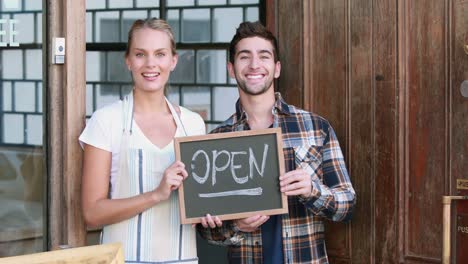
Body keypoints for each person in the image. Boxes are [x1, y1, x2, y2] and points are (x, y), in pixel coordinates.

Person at [197, 21, 356, 263]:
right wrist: (235, 225)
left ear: (277, 68)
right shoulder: (217, 141)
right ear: (231, 68)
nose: (254, 65)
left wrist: (312, 190)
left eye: (264, 56)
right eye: (244, 57)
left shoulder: (315, 127)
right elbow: (206, 230)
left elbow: (347, 205)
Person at [79, 18, 205, 263]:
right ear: (128, 60)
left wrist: (213, 215)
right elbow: (91, 213)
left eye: (160, 54)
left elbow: (199, 201)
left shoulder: (193, 125)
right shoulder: (107, 121)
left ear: (173, 61)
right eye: (140, 54)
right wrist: (155, 195)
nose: (150, 64)